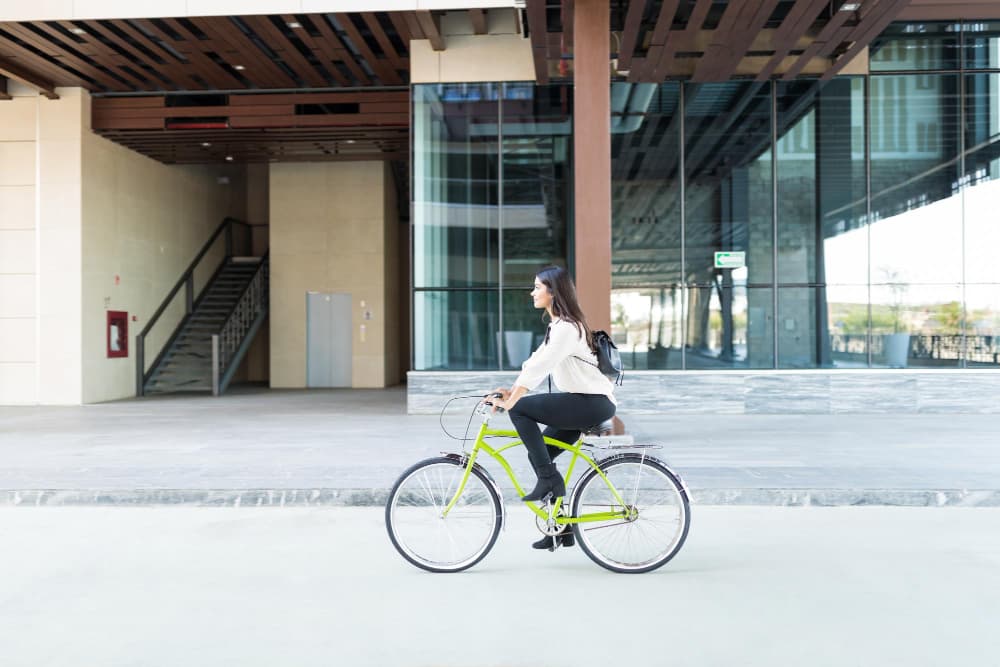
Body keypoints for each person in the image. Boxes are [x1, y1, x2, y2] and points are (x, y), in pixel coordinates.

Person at [485, 265, 617, 551]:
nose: (532, 292)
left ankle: (548, 481)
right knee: (540, 453)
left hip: (590, 402)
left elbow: (540, 368)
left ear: (553, 292)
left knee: (520, 410)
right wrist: (510, 390)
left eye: (537, 287)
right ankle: (563, 528)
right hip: (583, 401)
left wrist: (512, 401)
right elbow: (534, 363)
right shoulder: (557, 326)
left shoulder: (568, 328)